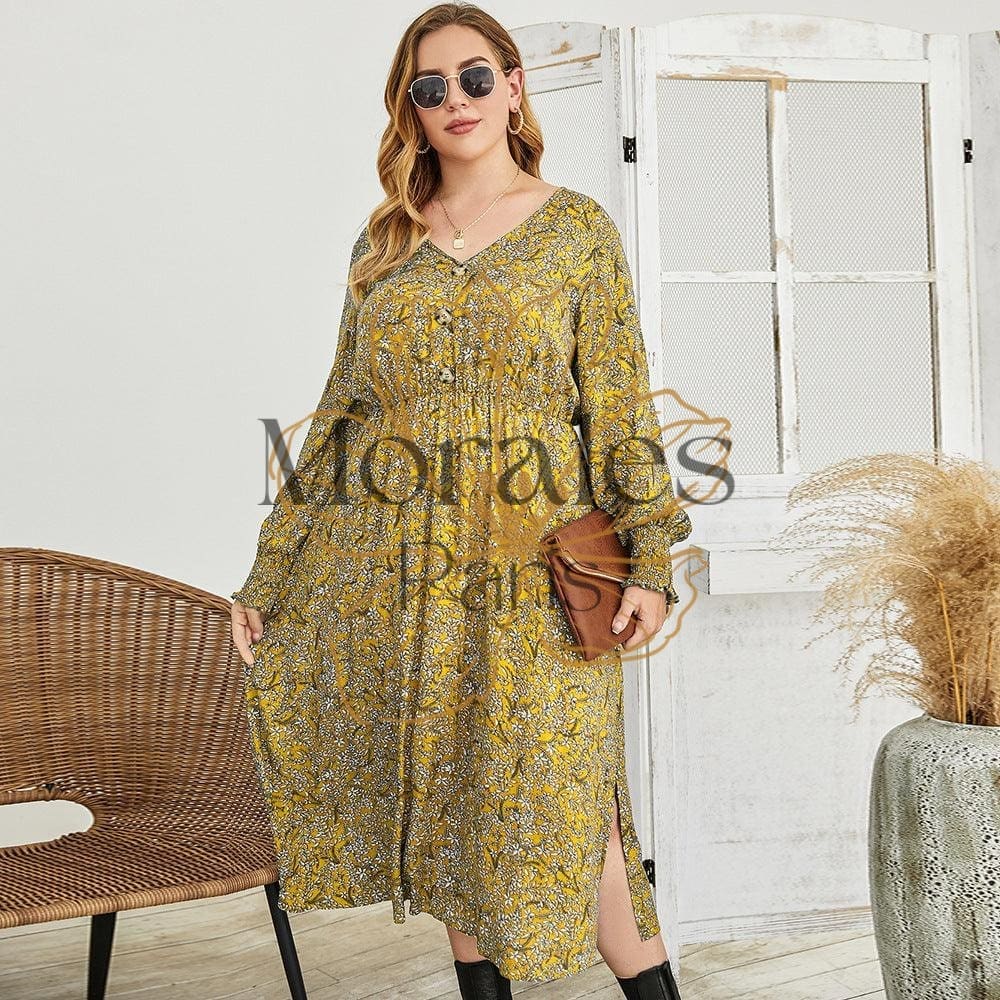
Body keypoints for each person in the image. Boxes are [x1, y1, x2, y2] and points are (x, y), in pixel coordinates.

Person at [229, 4, 691, 998]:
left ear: (514, 86)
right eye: (430, 87)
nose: (456, 101)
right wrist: (270, 574)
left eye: (476, 77)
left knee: (579, 816)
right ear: (411, 109)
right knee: (452, 810)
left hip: (537, 575)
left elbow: (618, 405)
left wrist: (651, 558)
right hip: (409, 575)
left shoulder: (576, 231)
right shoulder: (386, 240)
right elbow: (341, 416)